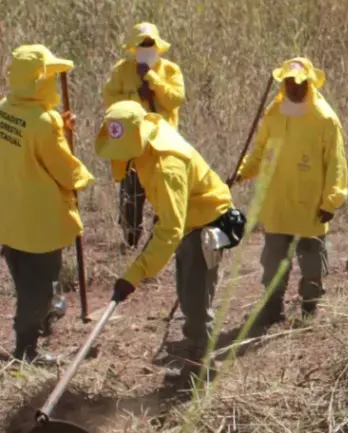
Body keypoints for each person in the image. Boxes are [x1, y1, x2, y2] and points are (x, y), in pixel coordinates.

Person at [95, 100, 242, 360]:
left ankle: (201, 363)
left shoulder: (168, 166)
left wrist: (135, 274)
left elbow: (171, 228)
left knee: (196, 300)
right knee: (186, 289)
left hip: (206, 223)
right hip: (187, 222)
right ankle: (195, 345)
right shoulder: (149, 140)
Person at [233, 57, 348, 324]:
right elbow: (260, 152)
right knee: (273, 259)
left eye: (300, 83)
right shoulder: (274, 113)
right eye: (289, 83)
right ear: (282, 83)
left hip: (311, 204)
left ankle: (309, 306)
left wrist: (331, 200)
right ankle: (273, 307)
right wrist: (242, 172)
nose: (294, 88)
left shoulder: (325, 119)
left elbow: (336, 162)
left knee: (312, 262)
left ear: (310, 83)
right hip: (278, 202)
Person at [0, 45, 94, 364]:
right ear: (37, 80)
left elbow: (28, 149)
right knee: (38, 290)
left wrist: (59, 129)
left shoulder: (4, 110)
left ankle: (42, 319)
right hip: (39, 224)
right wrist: (83, 178)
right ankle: (27, 351)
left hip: (9, 219)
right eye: (48, 76)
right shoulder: (43, 121)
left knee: (26, 282)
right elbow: (64, 170)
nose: (53, 83)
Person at [103, 22, 186, 250]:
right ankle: (129, 243)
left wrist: (152, 79)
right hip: (133, 143)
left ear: (157, 46)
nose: (146, 47)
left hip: (162, 143)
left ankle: (158, 245)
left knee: (163, 196)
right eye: (141, 44)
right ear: (134, 47)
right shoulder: (121, 70)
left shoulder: (170, 70)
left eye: (150, 43)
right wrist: (136, 97)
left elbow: (175, 99)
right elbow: (110, 100)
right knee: (131, 196)